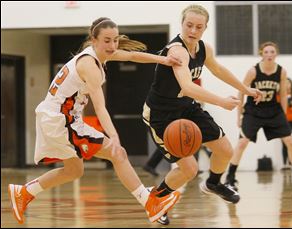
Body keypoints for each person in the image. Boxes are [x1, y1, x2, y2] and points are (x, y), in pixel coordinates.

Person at [7, 17, 182, 225]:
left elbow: (133, 55)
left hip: (59, 117)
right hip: (60, 119)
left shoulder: (98, 56)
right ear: (94, 39)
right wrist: (114, 137)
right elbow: (100, 107)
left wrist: (163, 60)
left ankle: (24, 192)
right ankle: (149, 203)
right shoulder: (89, 64)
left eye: (115, 40)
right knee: (118, 154)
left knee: (74, 170)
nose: (113, 45)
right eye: (107, 40)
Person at [142, 4, 262, 224]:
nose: (193, 31)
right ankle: (155, 199)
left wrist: (245, 90)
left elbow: (218, 70)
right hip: (162, 114)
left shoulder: (203, 48)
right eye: (189, 25)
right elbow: (187, 87)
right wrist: (222, 101)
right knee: (189, 169)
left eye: (199, 27)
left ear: (205, 28)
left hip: (186, 107)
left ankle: (213, 183)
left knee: (225, 149)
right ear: (182, 24)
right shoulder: (176, 51)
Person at [225, 42, 292, 191]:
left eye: (272, 52)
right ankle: (230, 177)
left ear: (276, 54)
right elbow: (241, 91)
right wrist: (239, 116)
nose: (269, 54)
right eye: (266, 52)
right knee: (242, 143)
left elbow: (283, 94)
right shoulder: (253, 71)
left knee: (290, 141)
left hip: (274, 110)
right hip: (254, 111)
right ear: (262, 54)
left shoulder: (282, 71)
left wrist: (283, 116)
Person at [281, 78, 292, 169]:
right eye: (285, 83)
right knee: (284, 143)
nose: (287, 85)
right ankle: (285, 164)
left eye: (288, 83)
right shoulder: (279, 95)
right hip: (282, 122)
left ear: (291, 84)